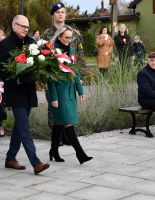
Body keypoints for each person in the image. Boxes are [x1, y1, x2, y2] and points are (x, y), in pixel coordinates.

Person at [0, 15, 49, 174]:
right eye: (22, 26)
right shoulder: (3, 45)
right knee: (24, 127)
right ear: (14, 25)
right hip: (15, 92)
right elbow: (3, 70)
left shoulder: (32, 43)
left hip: (28, 91)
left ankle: (10, 158)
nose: (25, 29)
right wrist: (18, 79)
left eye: (27, 26)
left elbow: (39, 63)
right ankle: (36, 162)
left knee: (20, 126)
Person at [48, 25, 93, 163]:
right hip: (59, 92)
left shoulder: (72, 50)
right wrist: (54, 97)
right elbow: (50, 77)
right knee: (68, 123)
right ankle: (80, 154)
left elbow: (76, 71)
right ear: (59, 36)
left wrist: (80, 90)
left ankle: (53, 150)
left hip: (70, 92)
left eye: (70, 37)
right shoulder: (51, 51)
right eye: (66, 37)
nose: (69, 40)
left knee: (59, 123)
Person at [42, 2, 86, 68]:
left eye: (62, 12)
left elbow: (80, 56)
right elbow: (42, 56)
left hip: (72, 73)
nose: (60, 14)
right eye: (57, 12)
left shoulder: (74, 33)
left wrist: (81, 76)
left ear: (65, 15)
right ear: (53, 15)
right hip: (53, 73)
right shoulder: (46, 34)